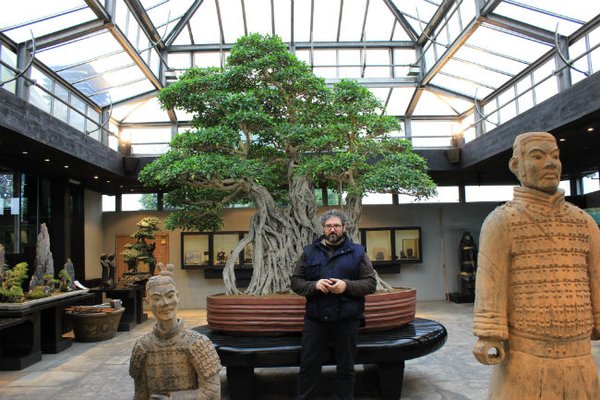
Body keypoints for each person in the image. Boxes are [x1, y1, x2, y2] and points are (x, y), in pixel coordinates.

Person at [472, 131, 600, 399]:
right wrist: (489, 333)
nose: (551, 163)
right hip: (526, 357)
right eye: (538, 156)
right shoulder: (501, 221)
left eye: (555, 156)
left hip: (580, 358)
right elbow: (490, 280)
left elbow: (597, 276)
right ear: (515, 165)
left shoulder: (583, 222)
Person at [291, 209, 377, 400]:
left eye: (336, 225)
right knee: (308, 365)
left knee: (346, 367)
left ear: (344, 228)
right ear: (323, 228)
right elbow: (296, 282)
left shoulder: (358, 252)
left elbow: (371, 284)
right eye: (329, 225)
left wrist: (346, 286)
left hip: (347, 320)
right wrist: (314, 285)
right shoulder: (309, 252)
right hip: (316, 319)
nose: (332, 229)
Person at [129, 263, 222, 400]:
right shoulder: (142, 347)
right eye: (157, 298)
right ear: (148, 302)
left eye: (170, 296)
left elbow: (212, 392)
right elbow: (140, 395)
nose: (165, 303)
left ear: (177, 297)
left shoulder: (198, 343)